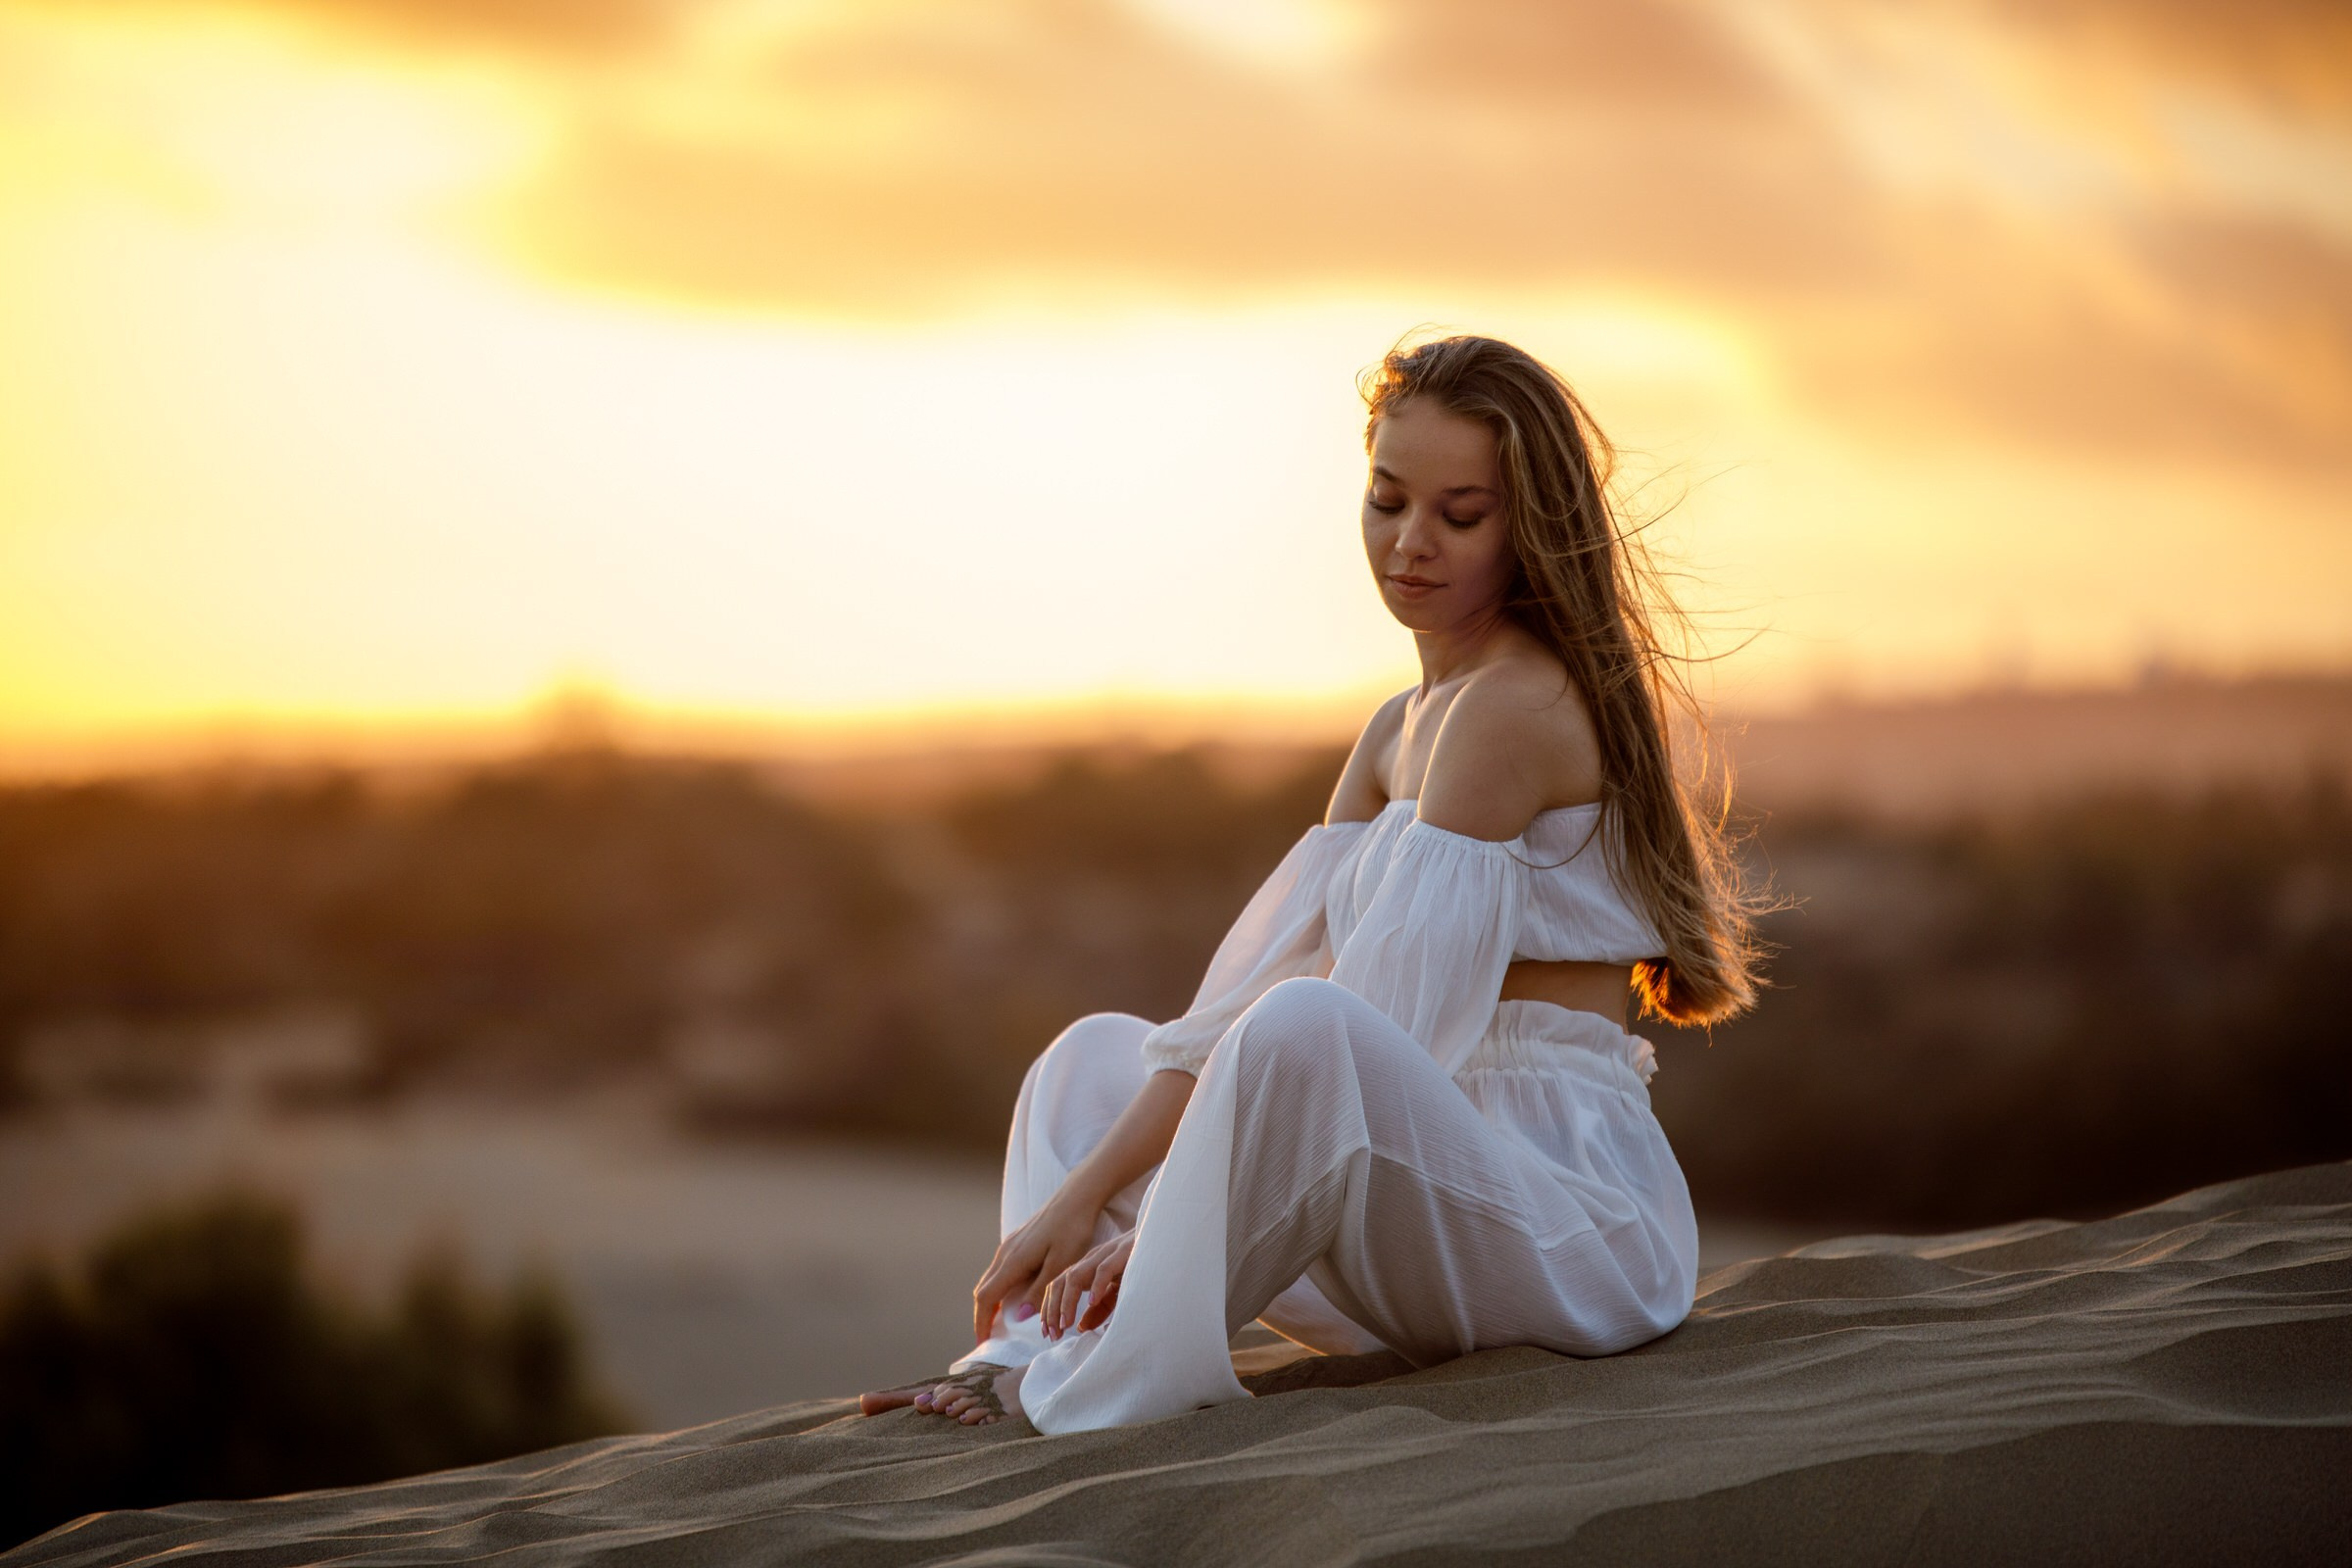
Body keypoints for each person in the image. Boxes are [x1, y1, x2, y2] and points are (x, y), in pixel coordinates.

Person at [858, 331, 1768, 1433]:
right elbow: (1240, 1013)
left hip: (1567, 1236)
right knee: (1091, 1060)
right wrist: (1081, 1196)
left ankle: (1090, 1381)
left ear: (1530, 527)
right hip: (1408, 1218)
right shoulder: (1398, 727)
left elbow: (1375, 1029)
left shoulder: (1509, 716)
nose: (1410, 543)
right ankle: (1020, 1346)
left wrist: (1162, 1235)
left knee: (1308, 1031)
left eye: (1460, 513)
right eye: (1388, 499)